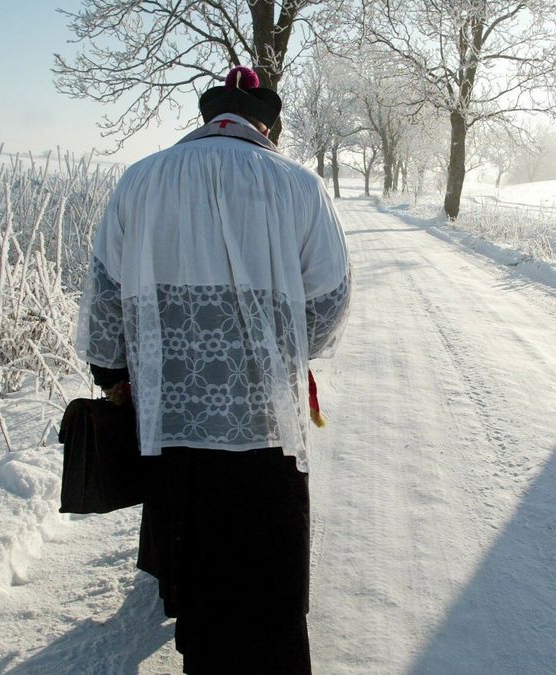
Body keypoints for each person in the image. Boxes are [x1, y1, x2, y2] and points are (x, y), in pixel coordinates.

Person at [76, 65, 352, 674]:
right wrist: (286, 351)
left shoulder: (140, 180)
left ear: (210, 118)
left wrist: (114, 372)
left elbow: (104, 295)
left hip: (171, 413)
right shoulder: (297, 185)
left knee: (193, 554)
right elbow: (330, 301)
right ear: (265, 125)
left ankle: (203, 653)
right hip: (265, 420)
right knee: (267, 568)